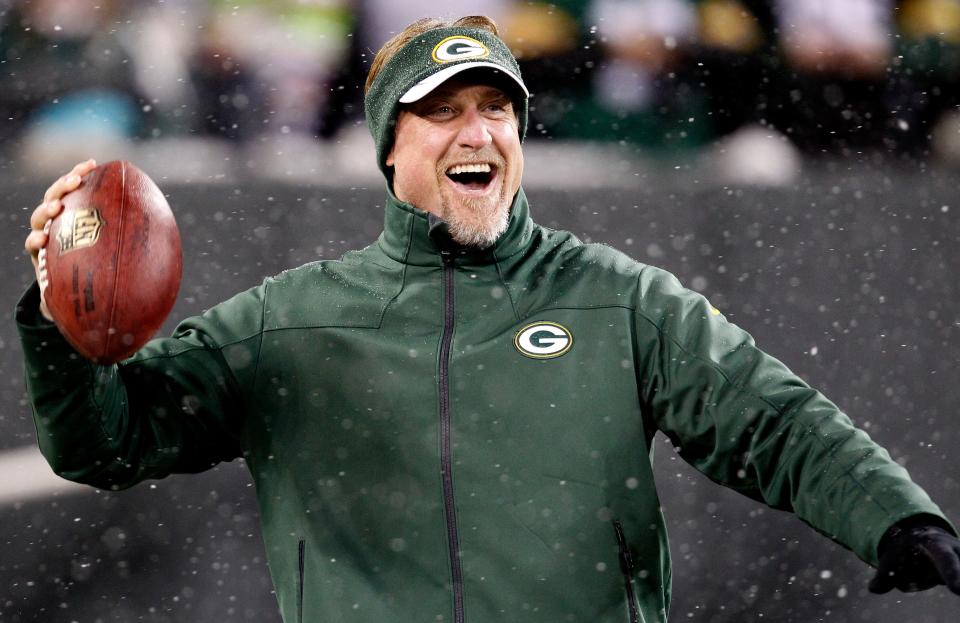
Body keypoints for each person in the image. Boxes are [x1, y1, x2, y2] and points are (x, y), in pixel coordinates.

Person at [19, 15, 960, 623]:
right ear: (391, 151)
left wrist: (897, 516)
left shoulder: (617, 297)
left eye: (496, 110)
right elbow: (107, 440)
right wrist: (64, 317)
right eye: (443, 113)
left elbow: (774, 417)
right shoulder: (292, 320)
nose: (478, 132)